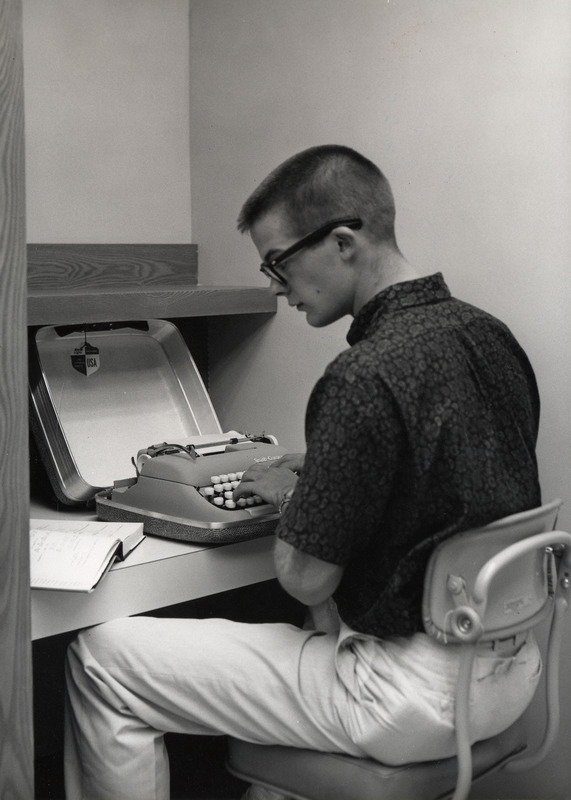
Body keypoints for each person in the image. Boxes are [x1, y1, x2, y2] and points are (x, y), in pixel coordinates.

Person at [64, 145, 543, 800]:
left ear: (342, 241)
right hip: (510, 676)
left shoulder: (361, 374)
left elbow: (304, 578)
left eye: (277, 262)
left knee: (101, 660)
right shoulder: (486, 335)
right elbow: (457, 483)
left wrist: (300, 496)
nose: (273, 287)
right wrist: (326, 474)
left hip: (406, 696)